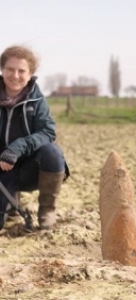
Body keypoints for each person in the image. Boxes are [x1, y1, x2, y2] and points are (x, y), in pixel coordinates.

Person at [0, 45, 69, 230]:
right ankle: (10, 204)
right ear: (2, 70)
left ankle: (47, 210)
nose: (15, 75)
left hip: (31, 170)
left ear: (30, 74)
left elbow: (48, 132)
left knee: (53, 152)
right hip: (1, 169)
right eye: (10, 69)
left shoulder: (38, 101)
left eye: (21, 71)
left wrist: (16, 148)